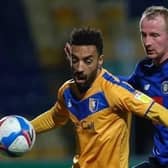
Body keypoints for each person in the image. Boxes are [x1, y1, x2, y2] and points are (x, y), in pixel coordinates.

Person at [31, 27, 168, 168]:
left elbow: (157, 112)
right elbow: (55, 117)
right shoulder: (67, 91)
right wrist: (27, 128)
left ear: (100, 60)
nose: (79, 68)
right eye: (75, 60)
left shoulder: (114, 90)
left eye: (87, 61)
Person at [122, 6, 168, 168]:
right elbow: (121, 88)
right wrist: (95, 76)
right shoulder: (143, 70)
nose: (147, 42)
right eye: (144, 35)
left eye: (155, 35)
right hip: (159, 162)